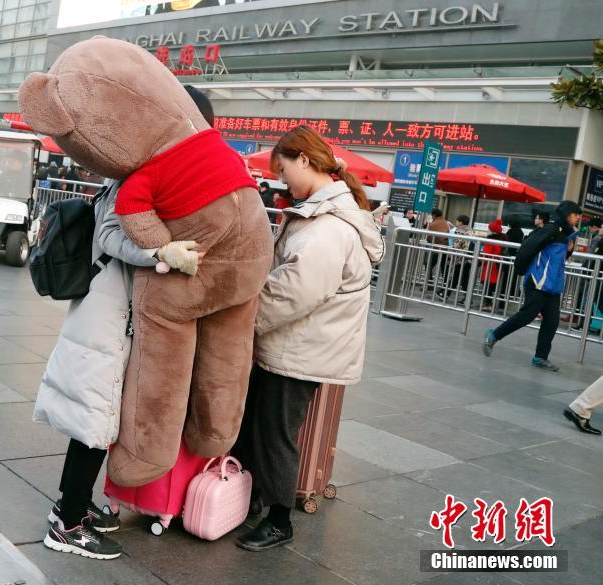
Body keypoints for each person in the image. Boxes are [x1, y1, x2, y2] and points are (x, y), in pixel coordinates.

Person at [232, 126, 384, 551]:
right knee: (262, 425)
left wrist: (244, 319)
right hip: (299, 345)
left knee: (275, 431)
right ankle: (254, 500)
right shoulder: (324, 214)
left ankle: (280, 519)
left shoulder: (328, 227)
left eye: (284, 169)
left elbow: (294, 290)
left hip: (301, 349)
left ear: (305, 160)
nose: (283, 180)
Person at [35, 180, 199, 560]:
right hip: (106, 313)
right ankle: (68, 527)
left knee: (91, 417)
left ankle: (68, 504)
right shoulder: (131, 182)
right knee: (97, 418)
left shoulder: (124, 179)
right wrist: (161, 253)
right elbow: (111, 236)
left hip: (102, 305)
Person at [483, 201, 582, 371]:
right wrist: (521, 270)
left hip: (553, 284)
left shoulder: (567, 234)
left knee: (551, 322)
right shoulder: (550, 229)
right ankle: (494, 335)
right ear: (566, 214)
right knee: (526, 316)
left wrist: (570, 250)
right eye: (575, 214)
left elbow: (558, 258)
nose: (578, 218)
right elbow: (527, 248)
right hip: (537, 282)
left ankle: (540, 357)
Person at [479, 219, 506, 310]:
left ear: (493, 231)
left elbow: (486, 254)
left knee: (487, 285)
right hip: (495, 265)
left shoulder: (490, 241)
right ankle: (489, 304)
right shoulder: (500, 240)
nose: (487, 231)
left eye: (489, 229)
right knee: (491, 286)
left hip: (489, 266)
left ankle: (488, 304)